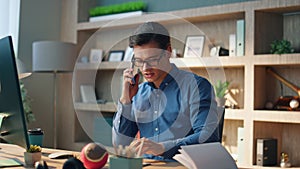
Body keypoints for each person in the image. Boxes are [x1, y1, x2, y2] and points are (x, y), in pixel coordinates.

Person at [112, 22, 220, 161]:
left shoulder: (196, 86)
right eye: (139, 61)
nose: (145, 68)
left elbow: (208, 136)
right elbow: (121, 144)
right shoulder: (138, 92)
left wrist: (163, 148)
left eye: (152, 59)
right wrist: (126, 101)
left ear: (168, 52)